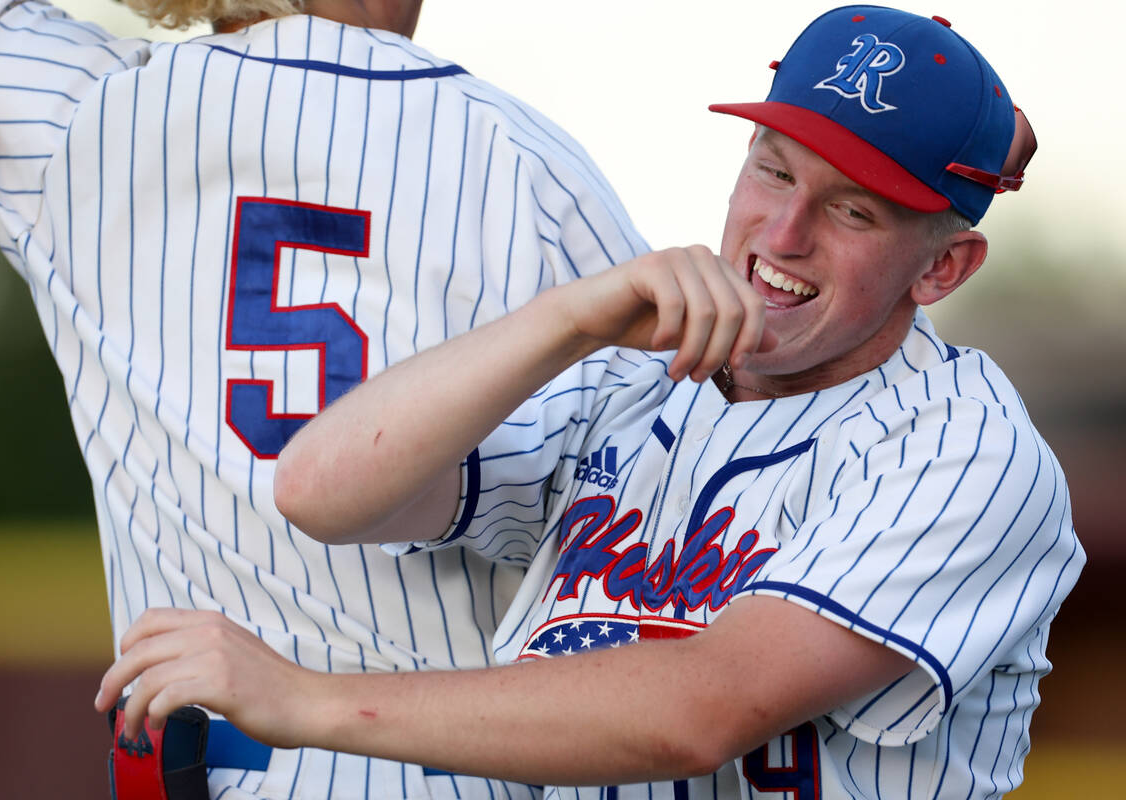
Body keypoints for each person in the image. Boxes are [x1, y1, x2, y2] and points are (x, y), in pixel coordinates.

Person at [97, 6, 1085, 799]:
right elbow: (321, 487)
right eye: (772, 170)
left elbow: (701, 710)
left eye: (852, 209)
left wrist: (304, 700)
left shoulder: (963, 449)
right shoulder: (624, 383)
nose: (782, 232)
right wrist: (573, 314)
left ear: (944, 266)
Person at [0, 0, 647, 796]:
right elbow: (678, 511)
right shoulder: (525, 166)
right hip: (456, 769)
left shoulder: (83, 112)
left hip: (198, 768)